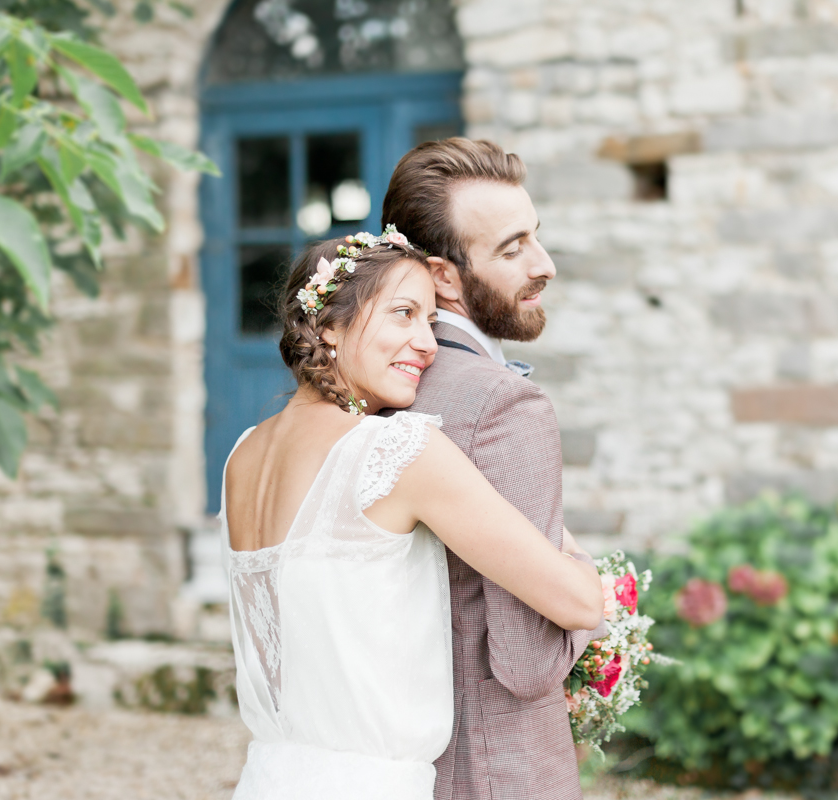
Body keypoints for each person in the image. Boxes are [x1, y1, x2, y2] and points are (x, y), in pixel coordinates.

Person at [219, 233, 604, 800]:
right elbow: (578, 602)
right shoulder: (399, 451)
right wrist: (576, 553)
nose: (426, 344)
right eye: (403, 314)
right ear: (327, 324)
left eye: (430, 320)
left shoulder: (242, 455)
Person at [380, 138, 603, 800]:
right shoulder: (504, 402)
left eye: (536, 238)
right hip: (499, 765)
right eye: (512, 250)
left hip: (411, 753)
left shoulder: (380, 386)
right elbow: (528, 658)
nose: (546, 265)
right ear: (444, 275)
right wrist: (596, 591)